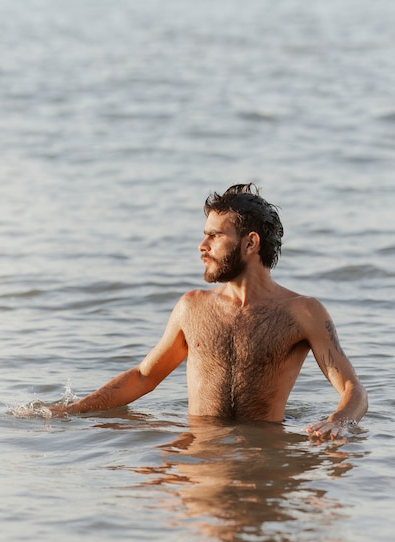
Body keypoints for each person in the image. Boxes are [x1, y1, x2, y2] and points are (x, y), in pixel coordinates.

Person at [50, 183, 368, 439]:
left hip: (265, 449)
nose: (202, 246)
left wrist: (339, 421)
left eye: (214, 236)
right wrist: (73, 411)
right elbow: (143, 377)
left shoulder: (302, 313)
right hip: (201, 448)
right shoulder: (192, 307)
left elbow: (354, 392)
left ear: (250, 243)